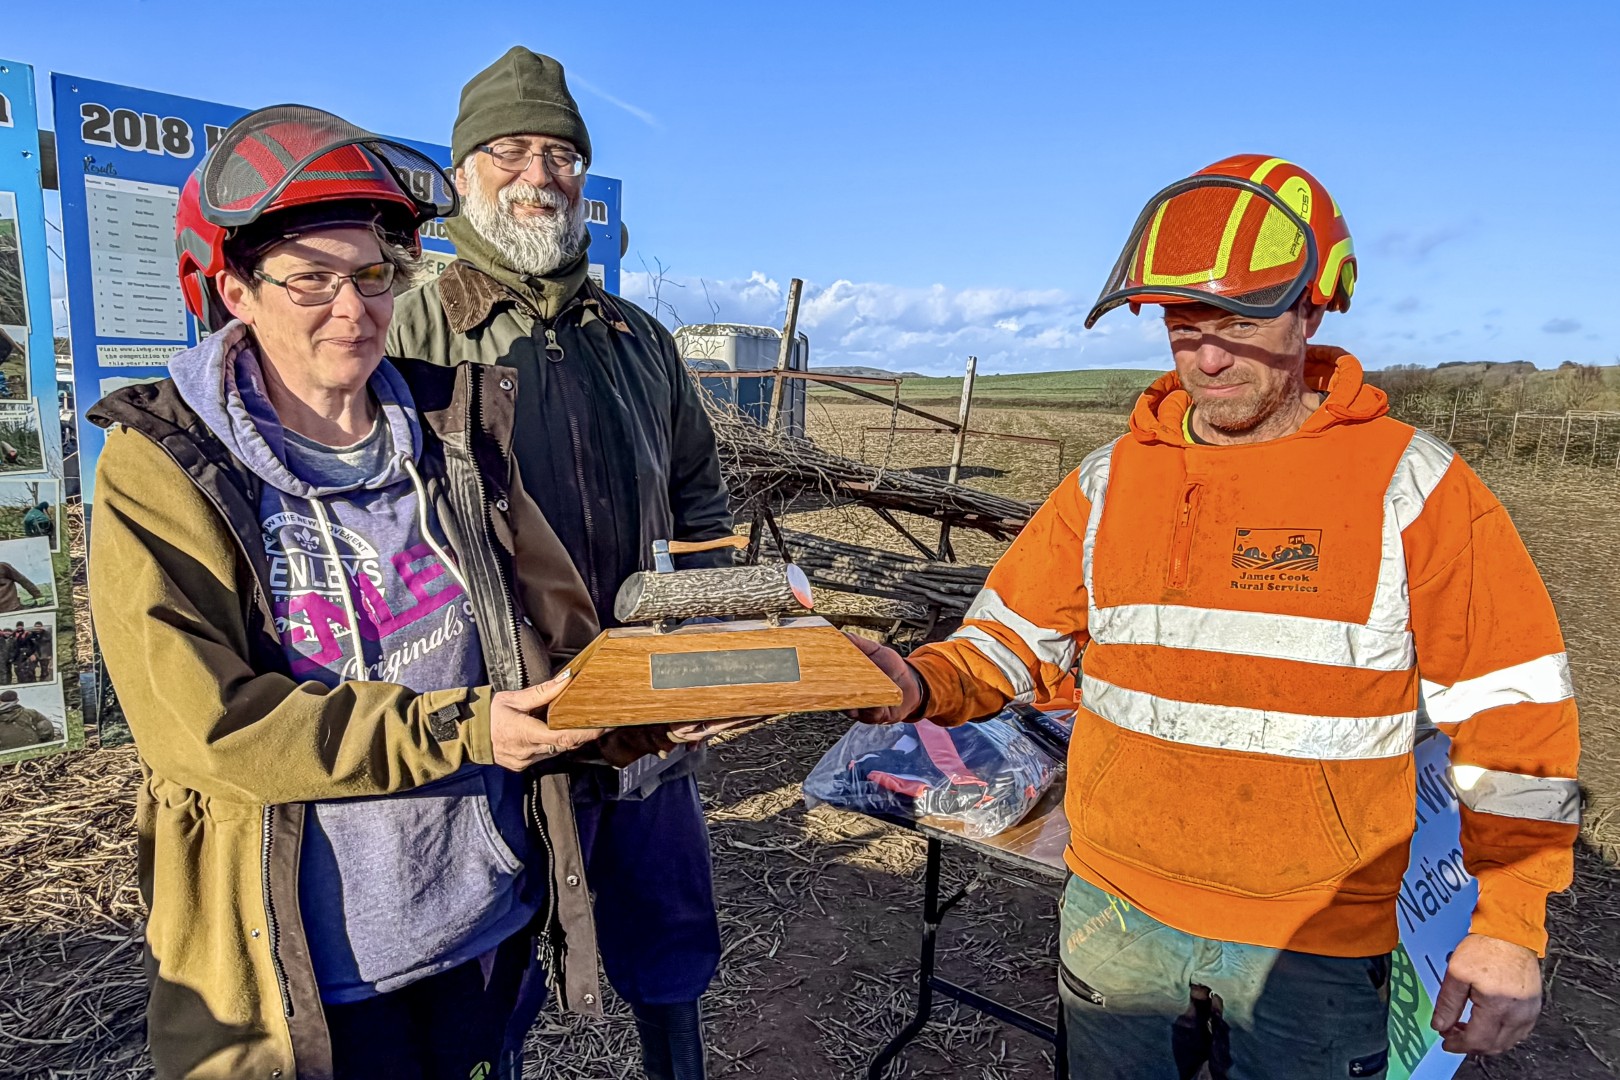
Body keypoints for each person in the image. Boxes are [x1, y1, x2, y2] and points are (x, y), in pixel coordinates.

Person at [849, 156, 1582, 1078]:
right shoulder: (1109, 483)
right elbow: (1008, 642)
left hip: (1313, 938)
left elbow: (1515, 714)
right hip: (1115, 914)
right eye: (1184, 326)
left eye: (1238, 323)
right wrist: (917, 681)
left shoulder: (1413, 487)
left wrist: (1510, 920)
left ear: (1312, 310)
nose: (1207, 357)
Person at [87, 104, 611, 1080]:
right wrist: (464, 729)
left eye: (373, 275)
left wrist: (651, 701)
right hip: (307, 970)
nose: (353, 308)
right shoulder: (162, 469)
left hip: (480, 924)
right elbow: (208, 731)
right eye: (311, 280)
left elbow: (561, 634)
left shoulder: (452, 435)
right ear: (235, 291)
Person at [388, 47, 734, 1080]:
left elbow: (699, 491)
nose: (538, 174)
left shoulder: (638, 340)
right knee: (485, 977)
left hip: (643, 706)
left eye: (561, 154)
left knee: (668, 942)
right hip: (497, 716)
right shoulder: (410, 331)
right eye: (509, 150)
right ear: (462, 172)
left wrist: (700, 640)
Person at [24, 618, 50, 683]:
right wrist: (30, 654)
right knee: (30, 670)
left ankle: (43, 683)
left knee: (45, 671)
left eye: (39, 626)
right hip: (34, 654)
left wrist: (50, 654)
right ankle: (33, 682)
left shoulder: (47, 634)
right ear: (34, 627)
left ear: (42, 627)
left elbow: (50, 645)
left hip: (44, 654)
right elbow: (27, 646)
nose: (38, 628)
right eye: (36, 626)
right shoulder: (30, 635)